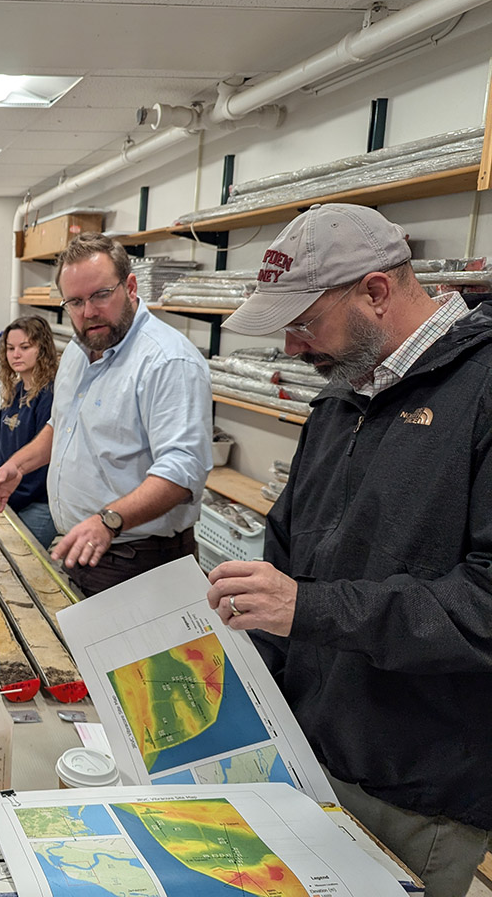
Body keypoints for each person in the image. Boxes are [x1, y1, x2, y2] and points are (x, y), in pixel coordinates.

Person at [206, 202, 492, 897]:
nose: (293, 348)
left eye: (304, 322)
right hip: (305, 754)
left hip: (415, 790)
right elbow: (284, 552)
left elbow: (485, 604)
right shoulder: (343, 397)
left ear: (375, 291)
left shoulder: (482, 392)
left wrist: (307, 608)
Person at [0, 233, 212, 597]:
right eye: (75, 301)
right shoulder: (77, 348)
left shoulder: (166, 361)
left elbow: (183, 472)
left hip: (139, 562)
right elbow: (63, 426)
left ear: (131, 287)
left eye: (101, 295)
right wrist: (18, 465)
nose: (88, 312)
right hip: (84, 550)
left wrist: (109, 521)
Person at [0, 316, 58, 546]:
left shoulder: (50, 396)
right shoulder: (15, 391)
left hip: (38, 503)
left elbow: (42, 465)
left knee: (15, 557)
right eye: (10, 348)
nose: (16, 354)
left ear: (42, 349)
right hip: (11, 496)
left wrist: (7, 497)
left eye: (25, 347)